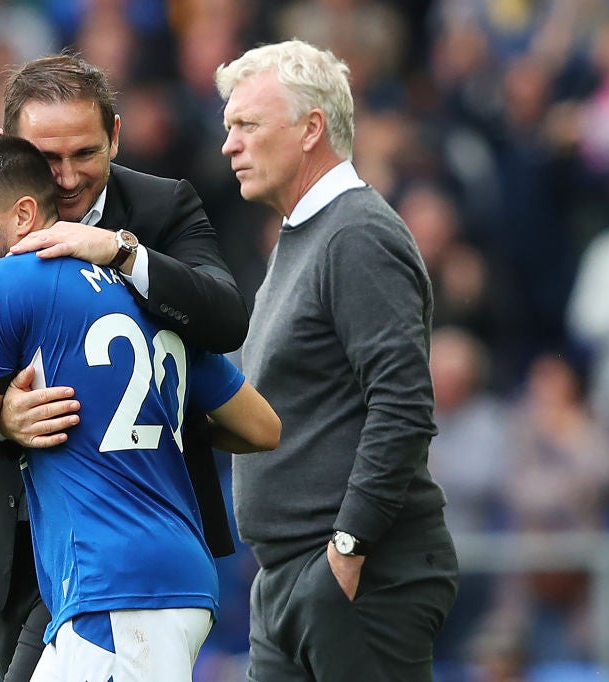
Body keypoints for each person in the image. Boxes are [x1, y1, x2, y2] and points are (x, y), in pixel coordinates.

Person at [0, 53, 249, 680]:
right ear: (6, 147)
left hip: (125, 537)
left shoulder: (160, 209)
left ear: (116, 137)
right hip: (12, 534)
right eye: (47, 158)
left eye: (86, 154)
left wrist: (124, 254)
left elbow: (228, 319)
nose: (67, 179)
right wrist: (1, 416)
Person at [214, 40, 459, 681]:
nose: (229, 145)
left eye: (247, 125)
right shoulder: (305, 235)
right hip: (292, 577)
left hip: (359, 575)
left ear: (310, 129)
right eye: (227, 127)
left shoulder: (355, 234)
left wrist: (348, 547)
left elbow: (403, 403)